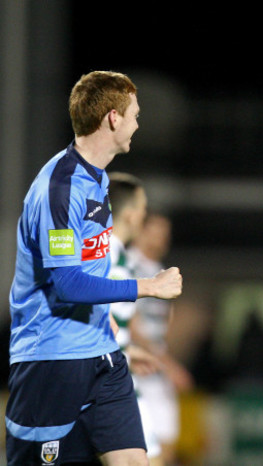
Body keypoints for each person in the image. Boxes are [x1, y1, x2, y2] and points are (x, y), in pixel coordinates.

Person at [6, 70, 183, 466]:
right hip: (51, 362)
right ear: (113, 119)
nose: (139, 123)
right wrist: (147, 286)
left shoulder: (97, 179)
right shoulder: (61, 188)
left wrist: (113, 332)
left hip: (102, 356)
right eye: (134, 114)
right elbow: (67, 283)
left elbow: (89, 263)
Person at [127, 212, 194, 464]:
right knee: (143, 451)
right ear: (141, 231)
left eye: (166, 233)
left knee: (165, 448)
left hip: (157, 371)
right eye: (157, 231)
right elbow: (130, 325)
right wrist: (171, 366)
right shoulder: (128, 264)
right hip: (136, 370)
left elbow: (160, 329)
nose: (163, 238)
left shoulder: (159, 270)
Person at [107, 171, 164, 465]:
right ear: (130, 214)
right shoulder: (108, 260)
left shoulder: (116, 256)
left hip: (118, 379)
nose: (145, 215)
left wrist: (128, 350)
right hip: (111, 387)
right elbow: (97, 328)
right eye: (142, 208)